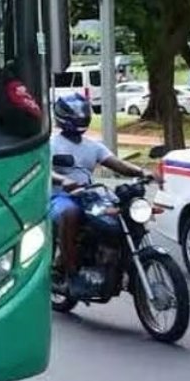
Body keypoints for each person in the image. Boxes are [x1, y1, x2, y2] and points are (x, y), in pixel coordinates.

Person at [48, 93, 154, 299]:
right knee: (70, 213)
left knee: (120, 213)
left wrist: (142, 172)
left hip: (88, 194)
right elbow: (45, 169)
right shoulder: (52, 144)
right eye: (74, 114)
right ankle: (70, 272)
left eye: (81, 113)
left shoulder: (93, 146)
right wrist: (63, 180)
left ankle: (117, 262)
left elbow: (118, 164)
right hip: (60, 197)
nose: (79, 117)